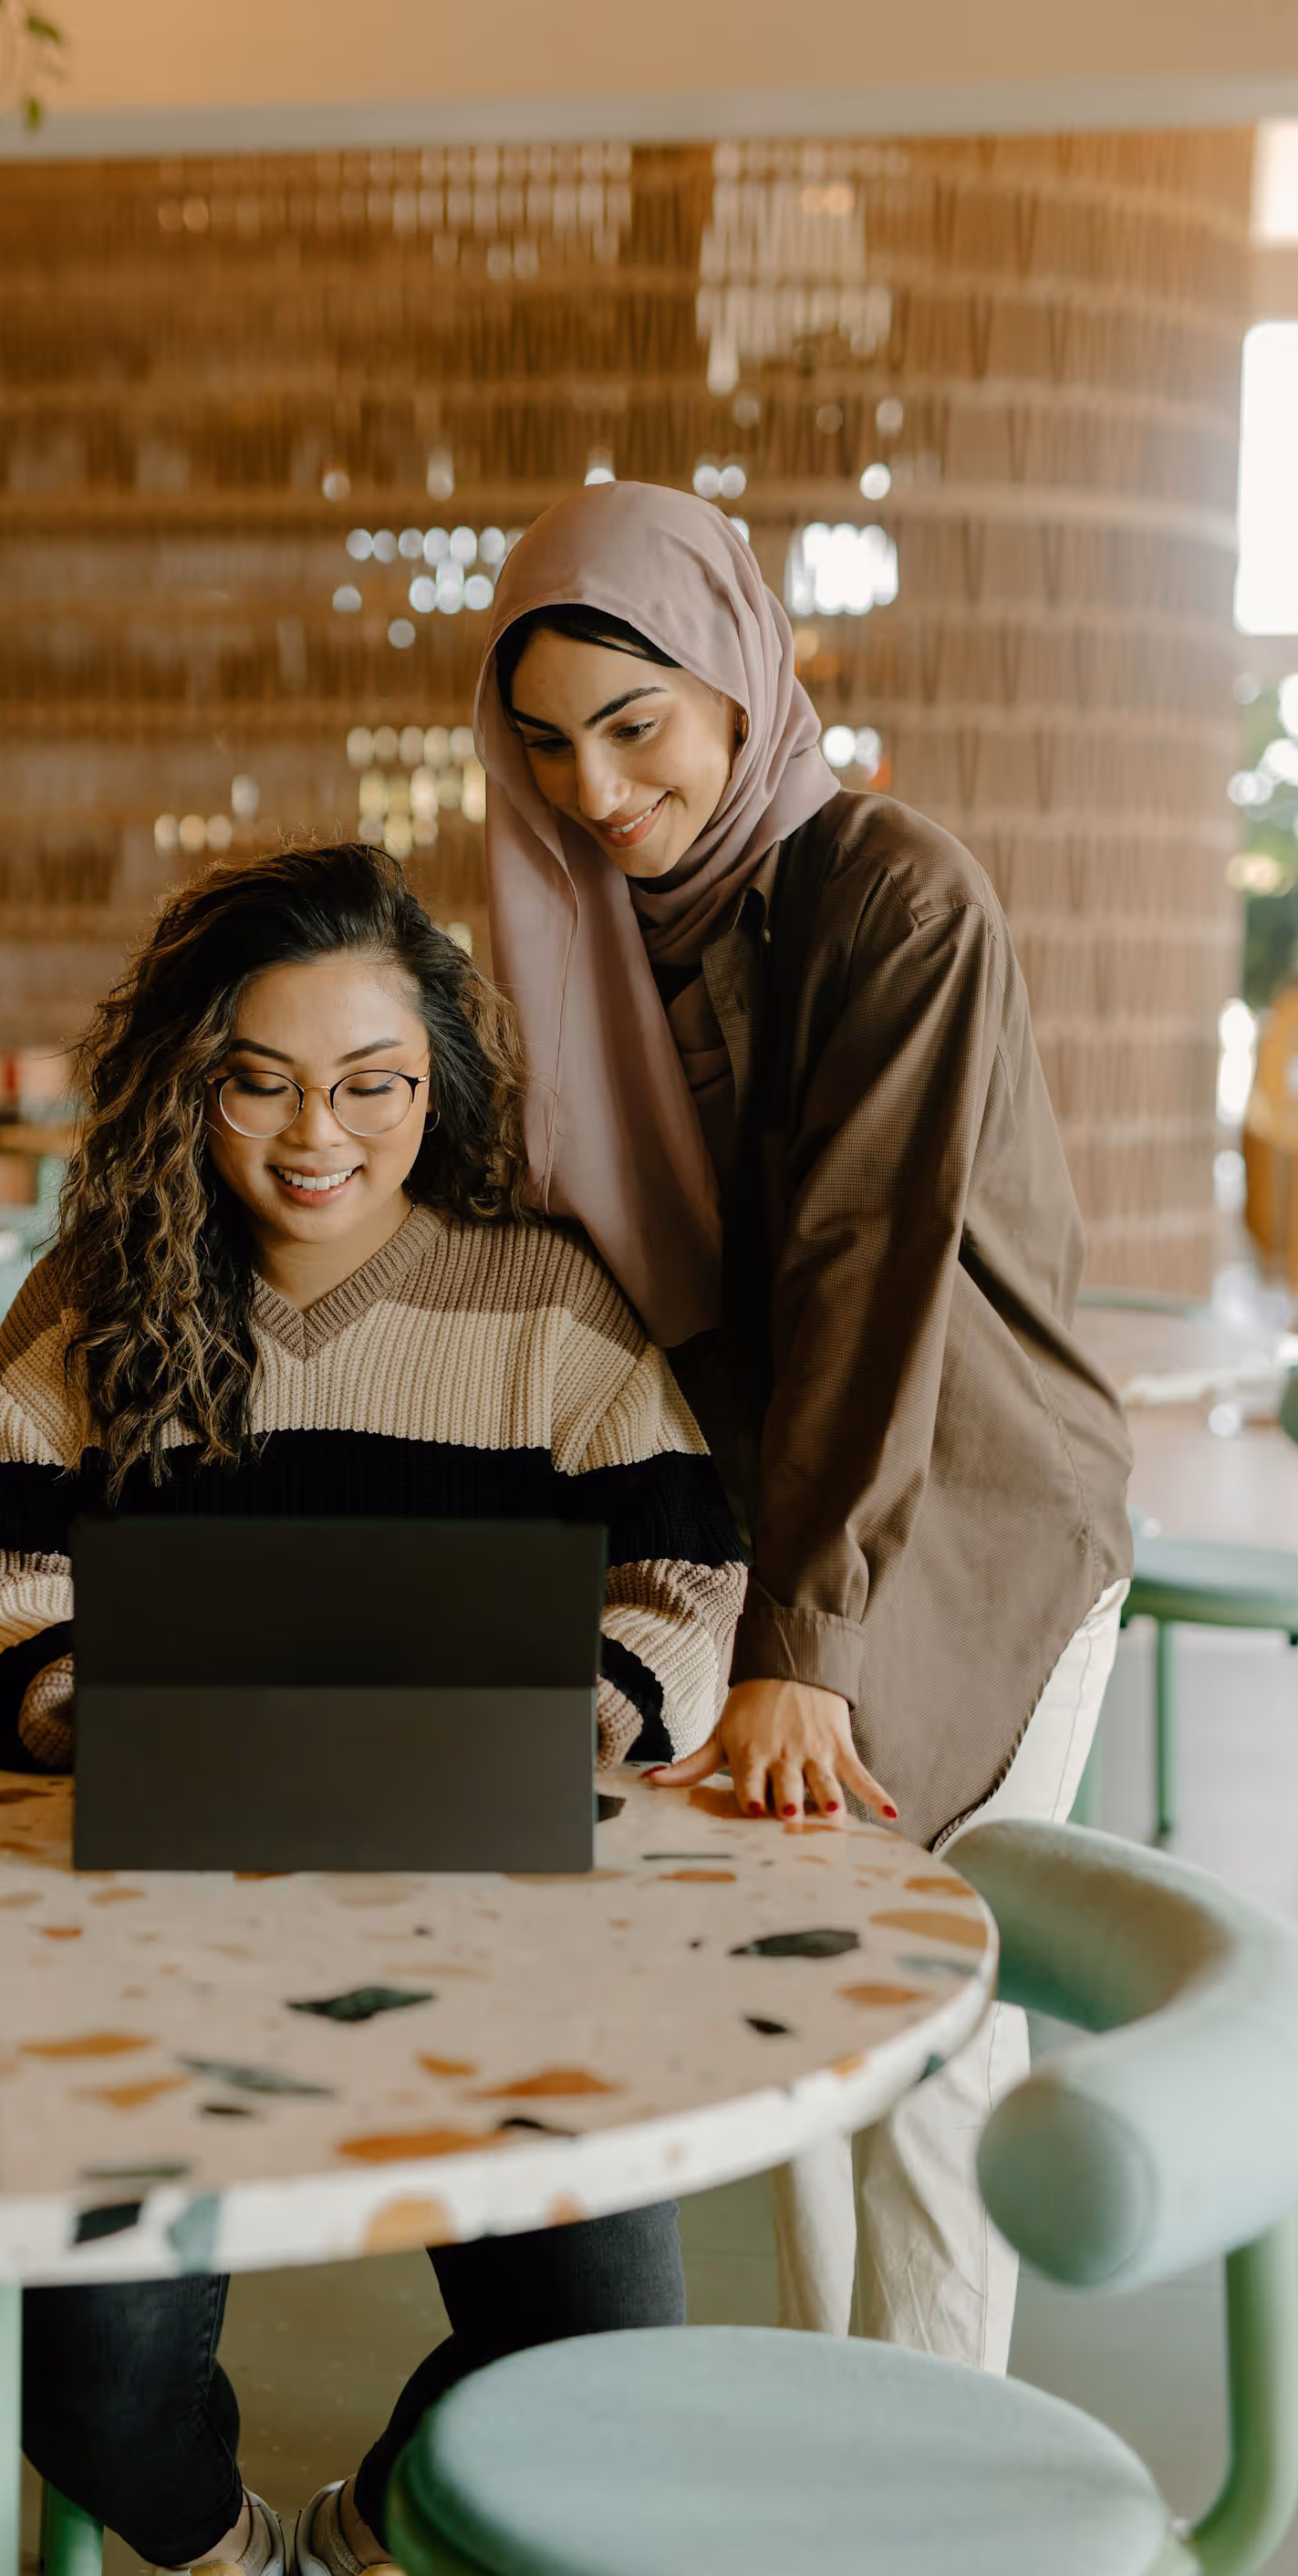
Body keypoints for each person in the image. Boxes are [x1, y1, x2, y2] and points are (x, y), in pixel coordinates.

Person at [0, 843, 746, 2576]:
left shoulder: (543, 1300)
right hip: (129, 1936)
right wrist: (81, 1706)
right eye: (258, 1081)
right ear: (186, 1081)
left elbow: (682, 1576)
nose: (316, 1136)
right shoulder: (100, 1295)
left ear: (440, 1083)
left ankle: (362, 2550)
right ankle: (223, 2566)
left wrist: (571, 1711)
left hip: (492, 1927)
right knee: (80, 2379)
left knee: (602, 2359)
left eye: (375, 1084)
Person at [474, 480, 1135, 2377]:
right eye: (544, 745)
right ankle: (814, 2434)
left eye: (634, 726)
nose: (593, 792)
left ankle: (929, 2486)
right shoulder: (599, 934)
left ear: (741, 684)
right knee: (797, 2005)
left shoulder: (894, 893)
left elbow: (861, 1275)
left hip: (977, 1513)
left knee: (923, 2008)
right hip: (785, 1512)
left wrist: (805, 1649)